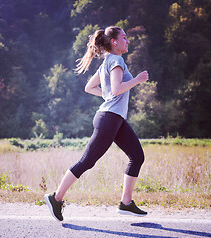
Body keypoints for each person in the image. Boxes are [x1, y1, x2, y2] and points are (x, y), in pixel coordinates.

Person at [44, 26, 149, 221]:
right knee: (87, 161)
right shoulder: (116, 60)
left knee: (137, 156)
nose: (128, 41)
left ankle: (126, 203)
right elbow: (117, 89)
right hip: (109, 118)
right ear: (114, 42)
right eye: (124, 38)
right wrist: (136, 80)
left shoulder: (106, 63)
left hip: (114, 118)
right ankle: (56, 197)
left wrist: (108, 95)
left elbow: (89, 87)